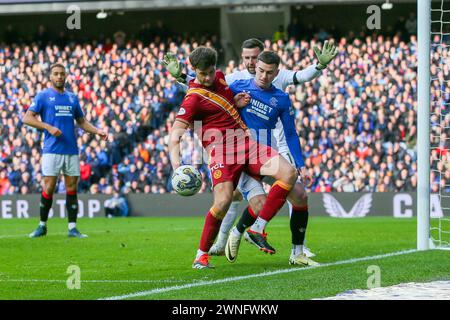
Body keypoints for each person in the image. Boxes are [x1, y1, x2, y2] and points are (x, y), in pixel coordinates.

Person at [164, 38, 338, 264]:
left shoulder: (222, 79)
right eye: (201, 74)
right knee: (225, 201)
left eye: (210, 72)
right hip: (221, 152)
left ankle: (260, 232)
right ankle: (202, 254)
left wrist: (319, 66)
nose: (207, 78)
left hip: (248, 144)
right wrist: (176, 167)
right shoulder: (195, 97)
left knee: (290, 177)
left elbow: (298, 80)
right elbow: (176, 132)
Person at [224, 50, 319, 266]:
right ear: (255, 67)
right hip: (239, 156)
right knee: (261, 203)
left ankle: (297, 252)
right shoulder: (237, 87)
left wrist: (300, 163)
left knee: (300, 196)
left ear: (276, 73)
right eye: (260, 71)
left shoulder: (282, 99)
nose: (263, 76)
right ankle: (249, 230)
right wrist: (182, 77)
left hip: (263, 156)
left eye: (269, 73)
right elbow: (207, 90)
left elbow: (291, 132)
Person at [24, 63, 108, 238]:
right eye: (56, 74)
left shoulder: (72, 98)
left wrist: (97, 130)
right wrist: (47, 127)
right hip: (52, 149)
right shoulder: (43, 96)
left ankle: (72, 228)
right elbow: (27, 118)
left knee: (71, 187)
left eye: (62, 74)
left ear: (66, 75)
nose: (59, 77)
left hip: (71, 149)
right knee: (49, 186)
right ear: (51, 76)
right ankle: (42, 225)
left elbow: (82, 121)